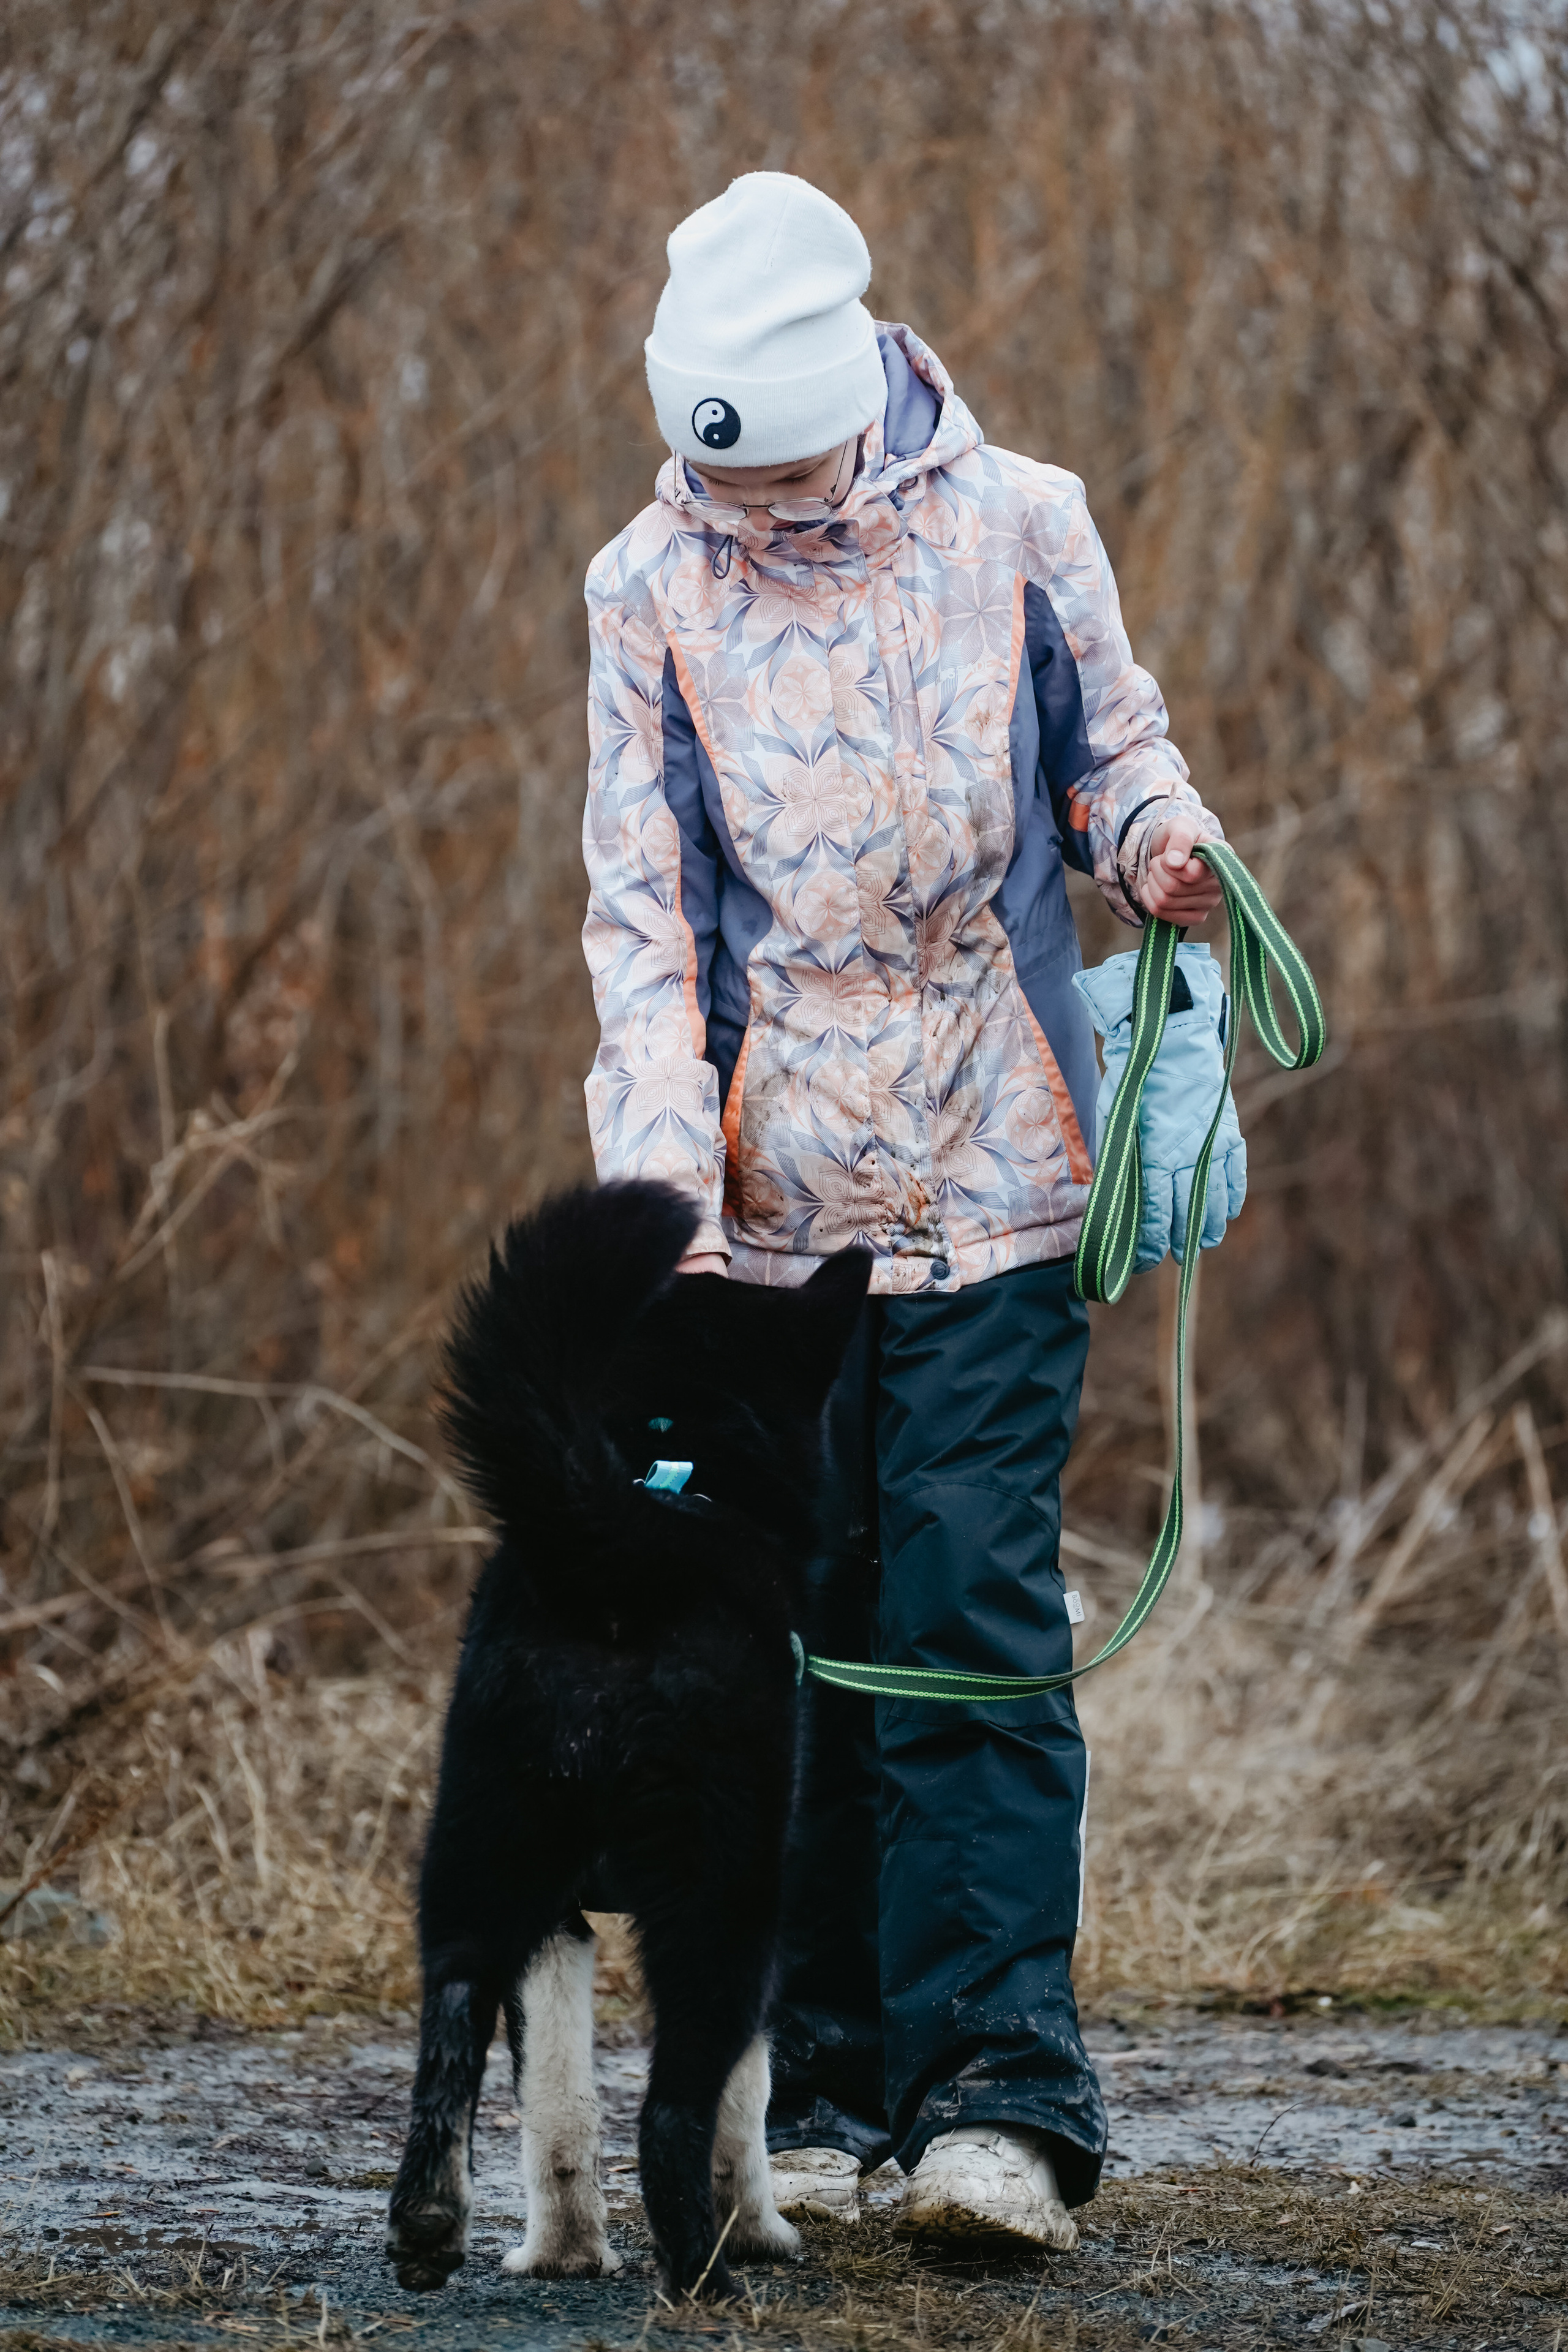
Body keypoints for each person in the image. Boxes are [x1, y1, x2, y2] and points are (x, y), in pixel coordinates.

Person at [580, 172, 1224, 2251]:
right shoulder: (644, 588)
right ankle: (830, 2087)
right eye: (726, 488)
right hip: (770, 1224)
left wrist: (1159, 837)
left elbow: (1110, 747)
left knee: (961, 1608)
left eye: (785, 478)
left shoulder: (1024, 518)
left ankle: (998, 2100)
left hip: (1004, 1174)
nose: (759, 520)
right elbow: (647, 918)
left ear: (856, 385)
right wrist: (663, 1195)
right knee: (801, 1630)